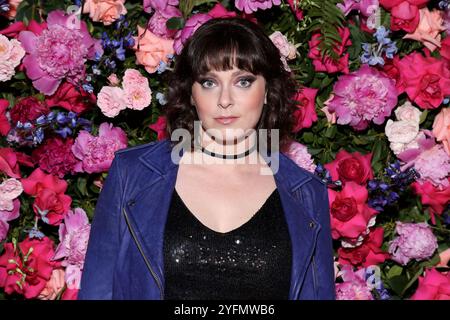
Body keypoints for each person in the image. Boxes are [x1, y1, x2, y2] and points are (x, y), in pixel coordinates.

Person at [78, 17, 335, 300]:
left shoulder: (307, 194)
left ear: (266, 92)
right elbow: (97, 290)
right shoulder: (133, 175)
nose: (225, 99)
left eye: (243, 81)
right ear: (190, 93)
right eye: (209, 82)